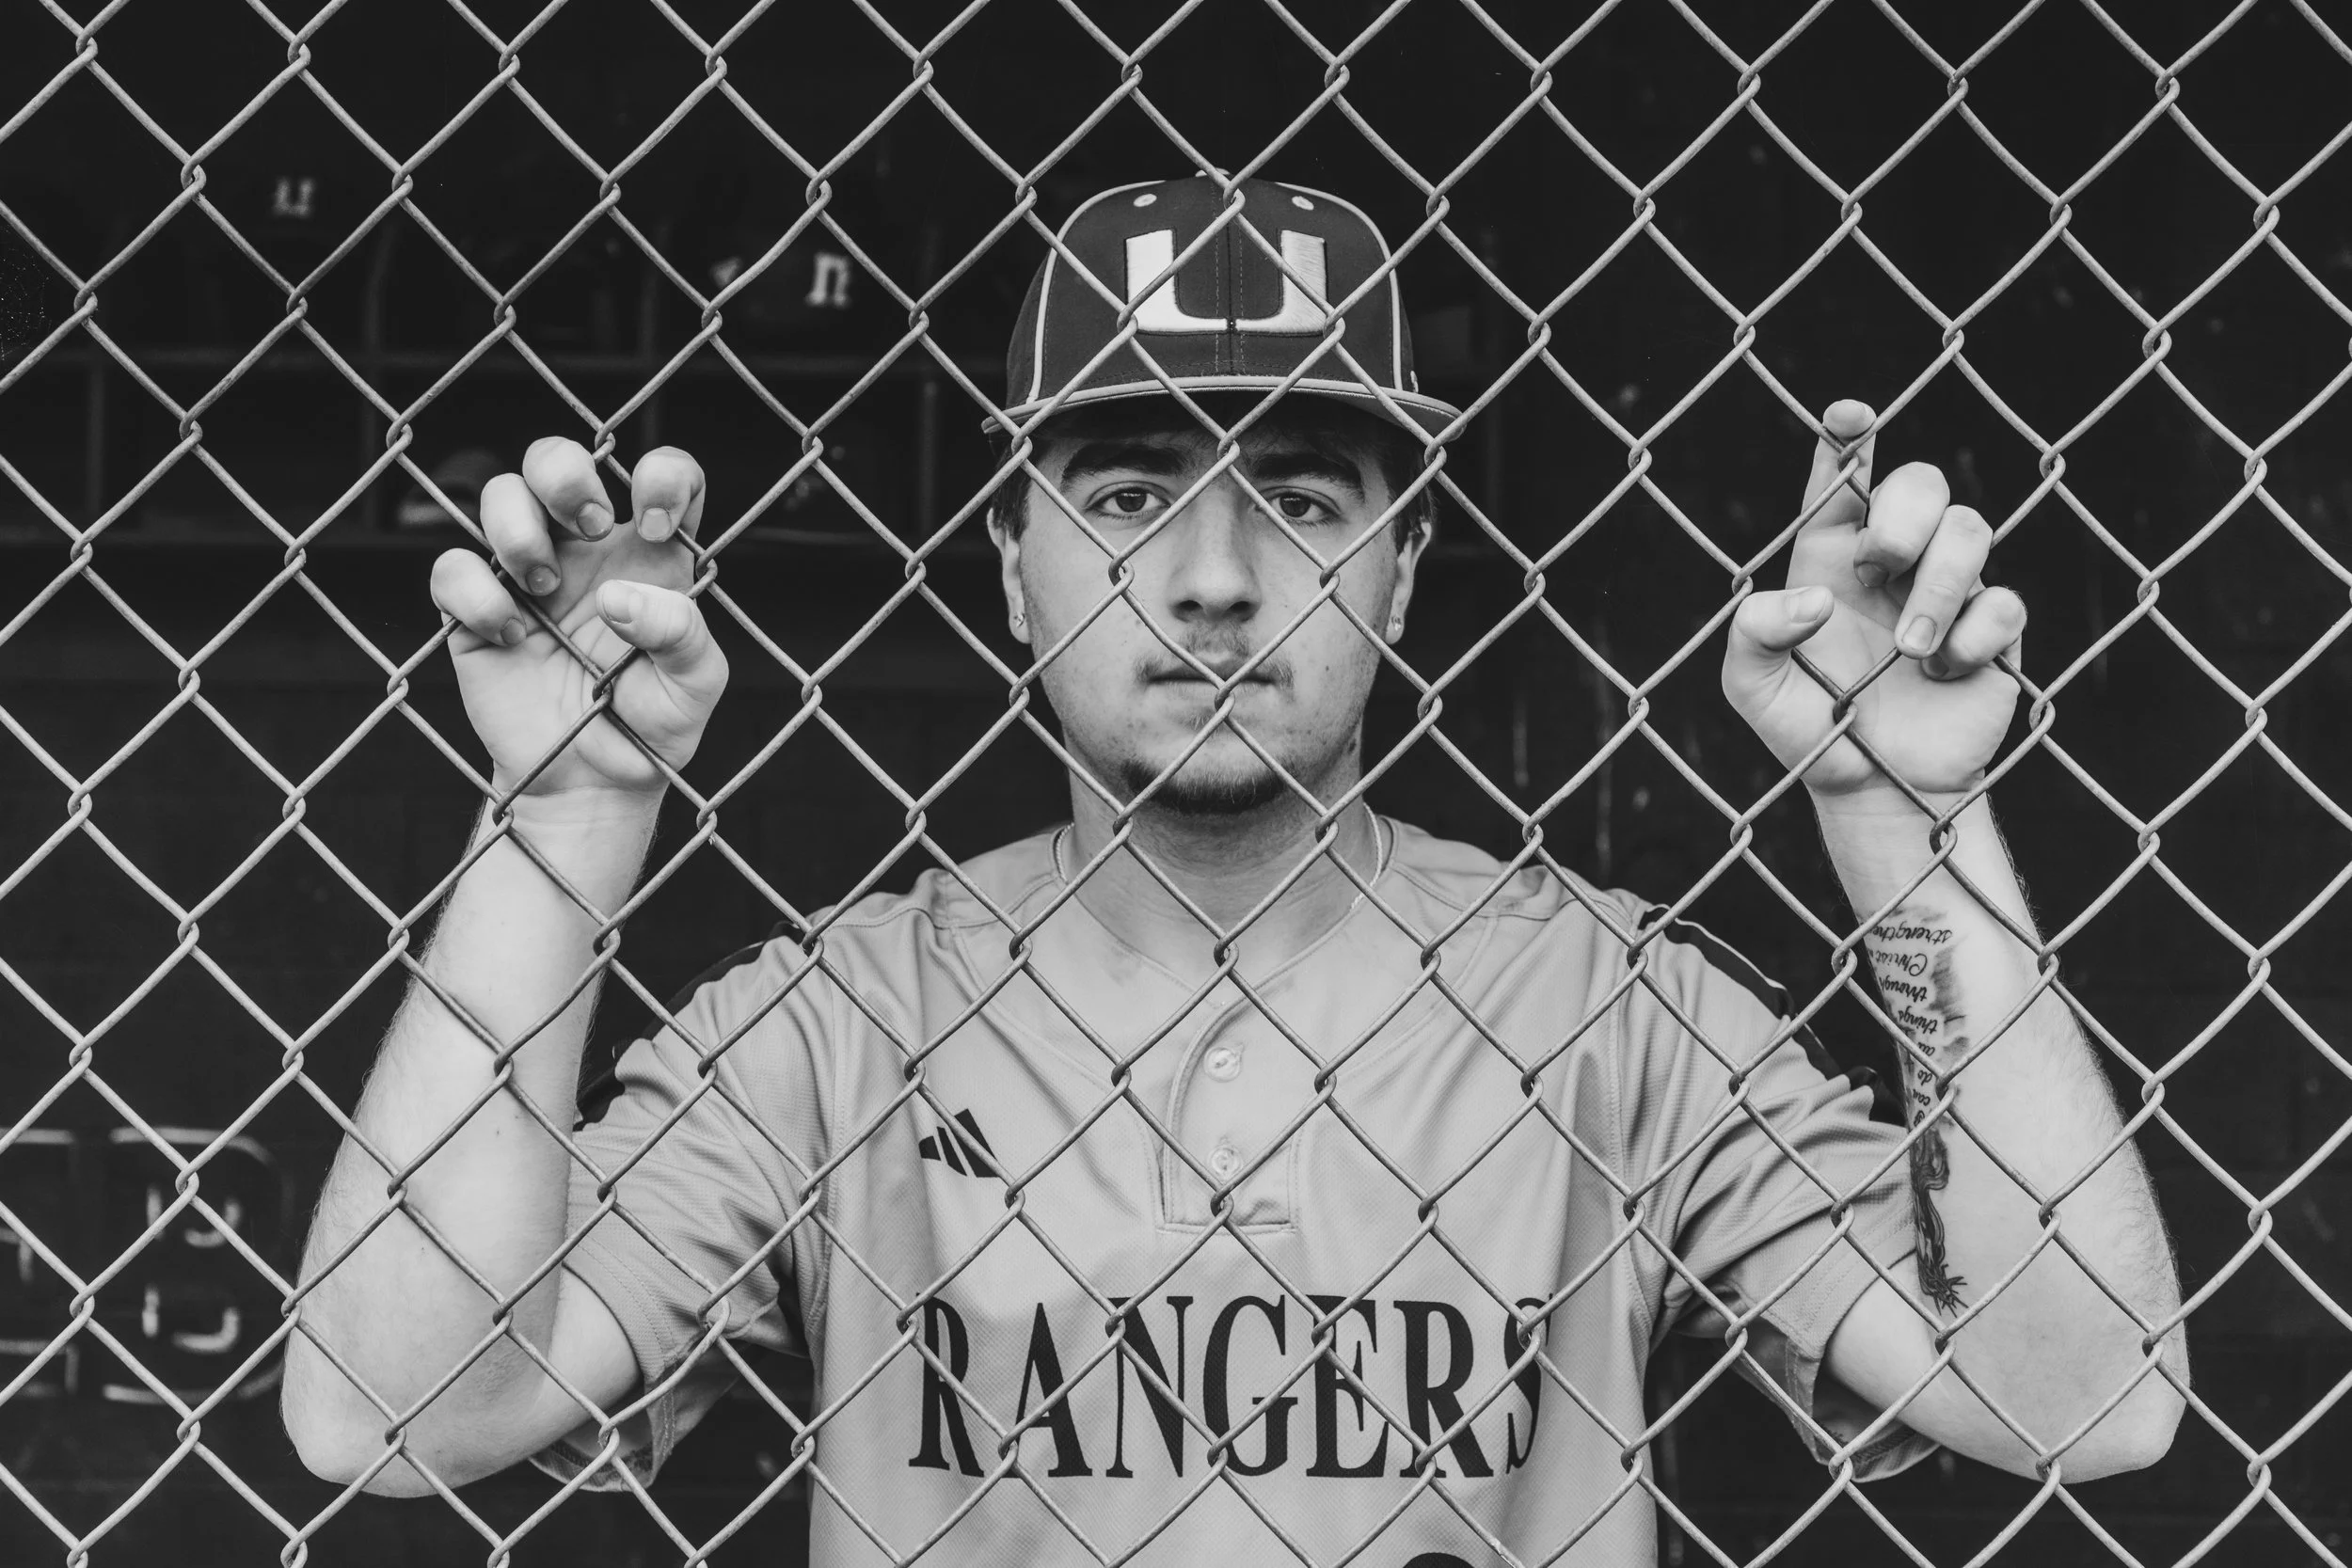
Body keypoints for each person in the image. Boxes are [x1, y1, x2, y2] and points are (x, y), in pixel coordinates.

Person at [281, 176, 2185, 1564]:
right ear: (1008, 569)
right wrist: (569, 805)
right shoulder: (840, 1018)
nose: (1208, 576)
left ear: (1404, 572)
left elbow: (2082, 1392)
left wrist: (1898, 809)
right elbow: (390, 1404)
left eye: (1297, 493)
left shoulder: (1604, 1005)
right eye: (1125, 494)